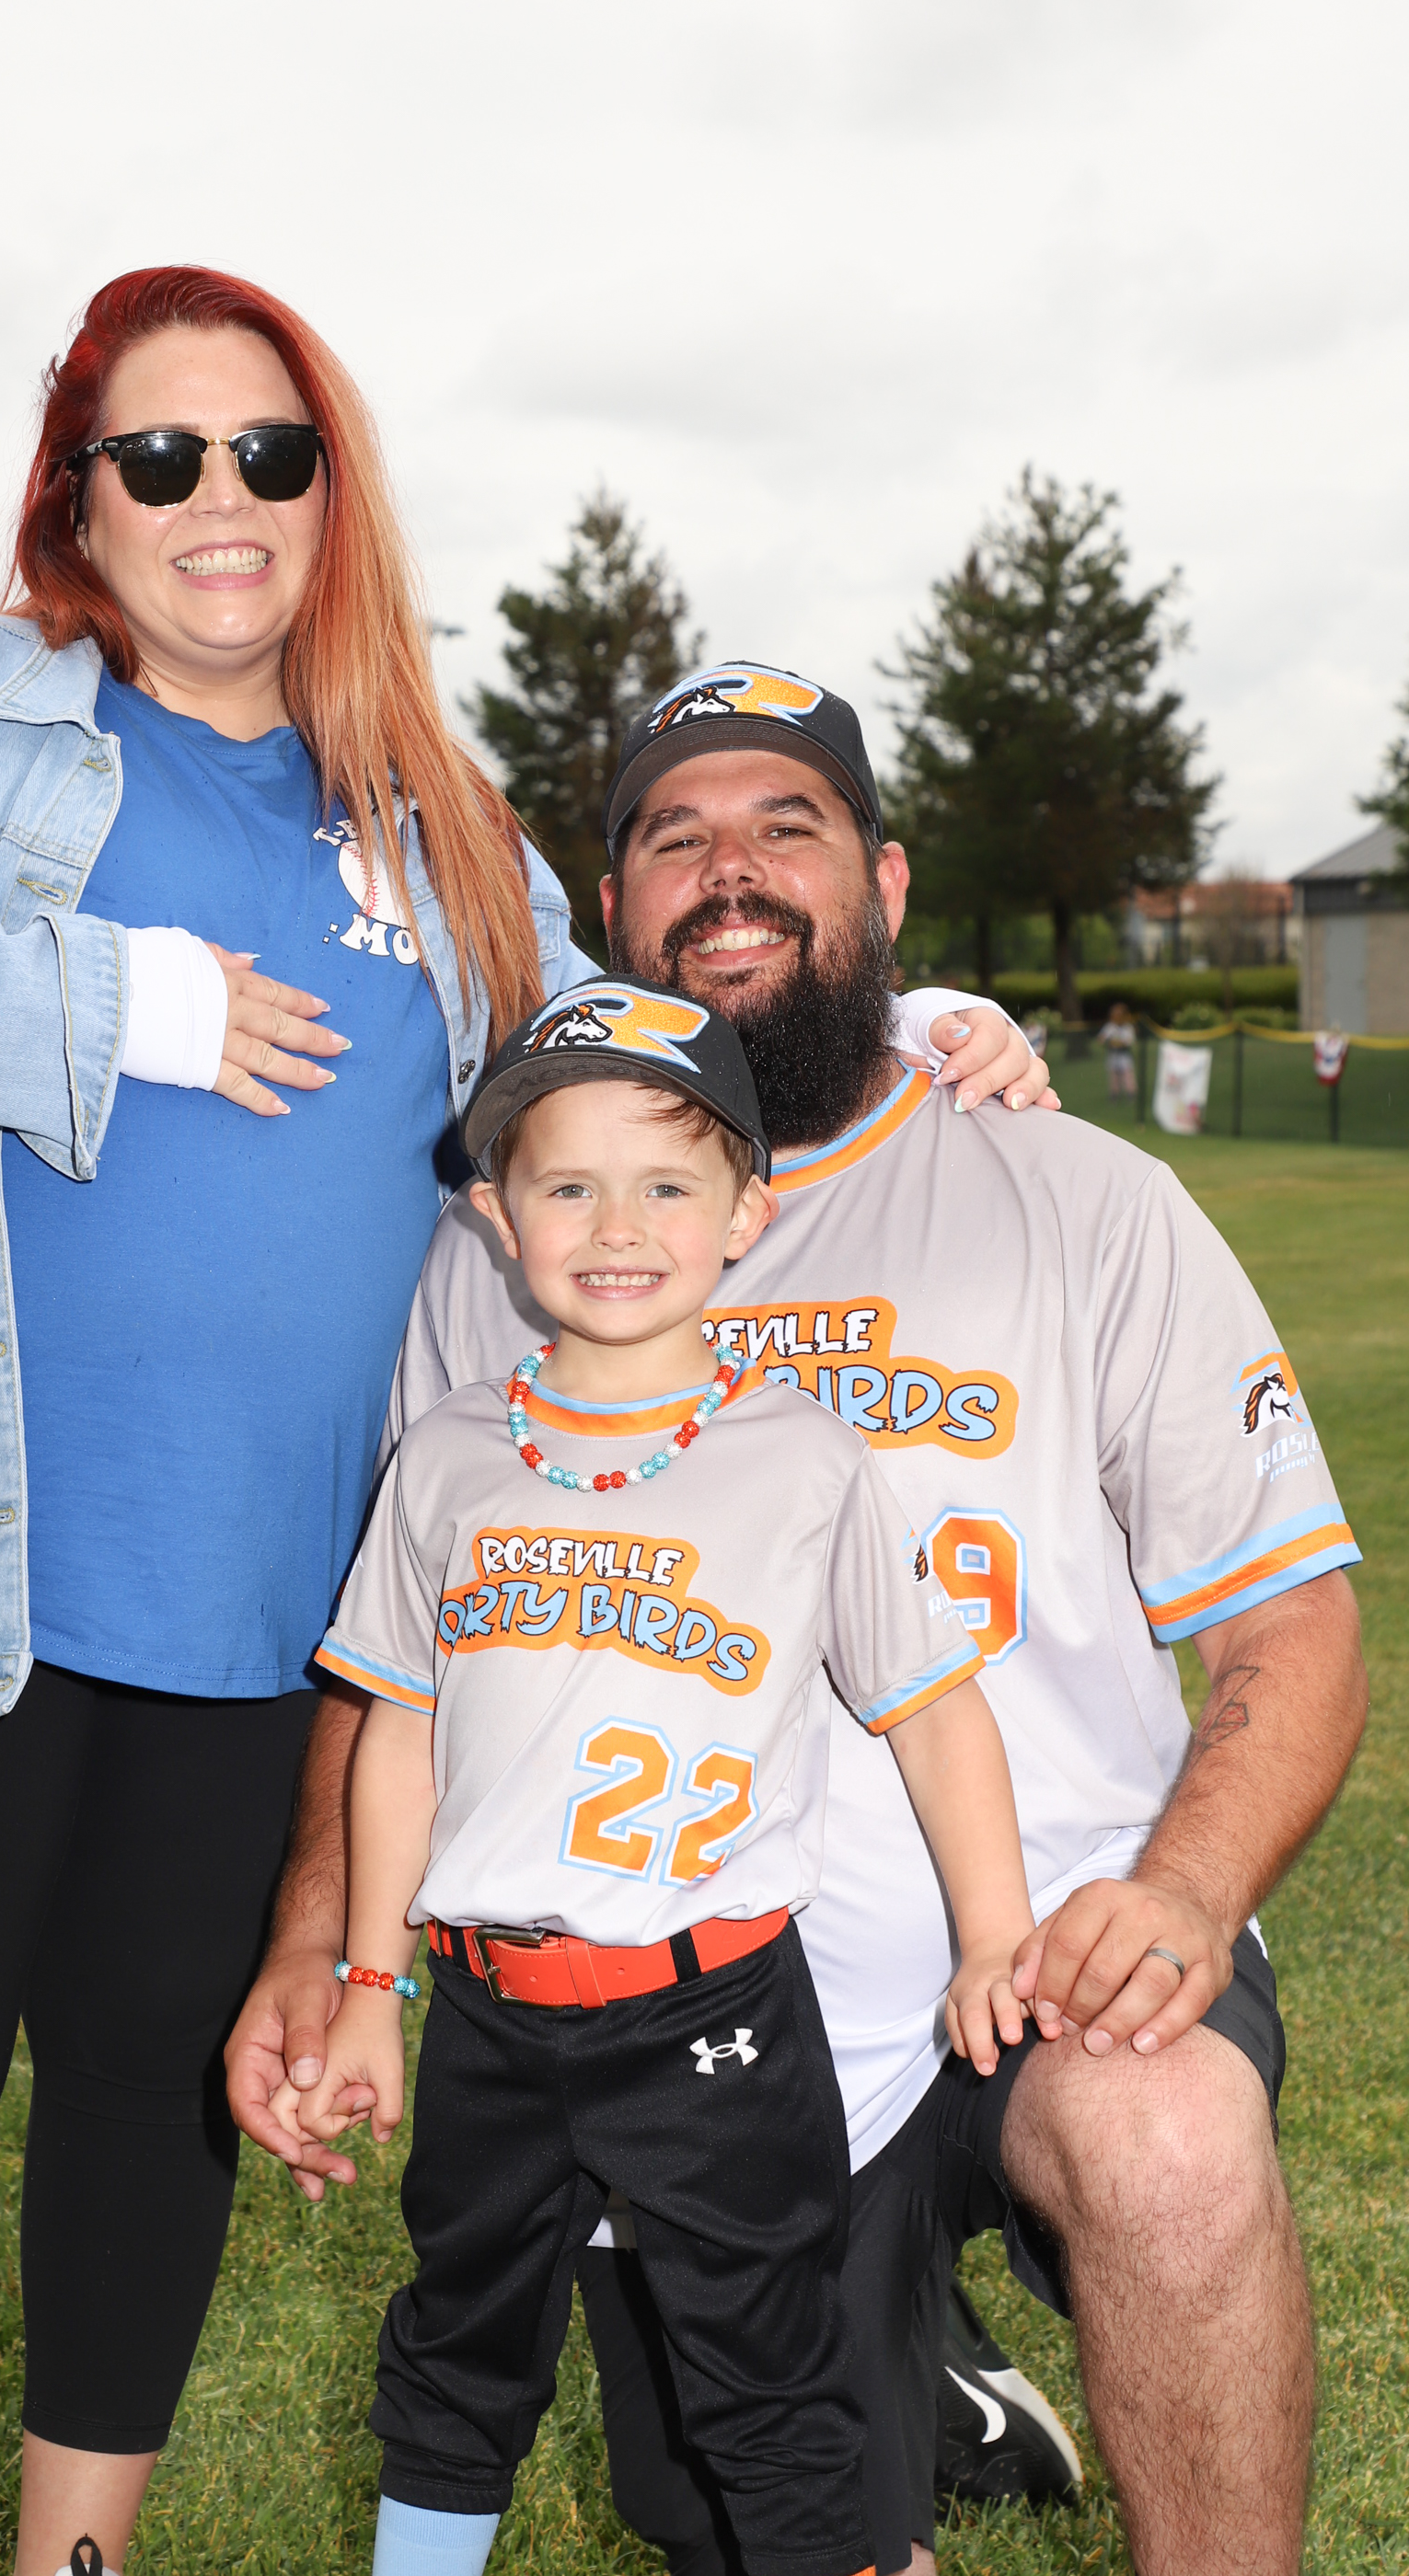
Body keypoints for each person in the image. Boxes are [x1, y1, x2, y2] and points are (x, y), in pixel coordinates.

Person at [0, 269, 1030, 2576]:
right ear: (76, 498)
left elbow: (636, 1050)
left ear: (329, 493)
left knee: (144, 2094)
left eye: (270, 453)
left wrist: (915, 1009)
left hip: (261, 1600)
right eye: (160, 454)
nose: (222, 497)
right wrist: (112, 1002)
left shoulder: (431, 823)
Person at [228, 660, 1369, 2576]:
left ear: (885, 881)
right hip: (677, 2003)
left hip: (1036, 1926)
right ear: (616, 911)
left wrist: (1180, 1895)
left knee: (1162, 2130)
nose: (730, 870)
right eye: (676, 838)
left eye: (787, 825)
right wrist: (316, 1943)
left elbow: (1294, 1632)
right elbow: (402, 1653)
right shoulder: (510, 1254)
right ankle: (917, 2363)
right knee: (752, 2516)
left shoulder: (1076, 1195)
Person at [269, 988, 1037, 2576]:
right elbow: (398, 1734)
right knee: (457, 2349)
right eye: (567, 1184)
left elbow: (934, 1713)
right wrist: (367, 1985)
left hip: (714, 2019)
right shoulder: (451, 1454)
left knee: (767, 2376)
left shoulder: (806, 1458)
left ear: (748, 1214)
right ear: (499, 1218)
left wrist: (992, 1937)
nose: (617, 1227)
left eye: (669, 1184)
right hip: (488, 2011)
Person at [1102, 998, 1138, 1101]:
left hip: (1124, 1055)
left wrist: (1120, 1043)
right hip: (1113, 1055)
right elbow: (1101, 1039)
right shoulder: (1110, 1027)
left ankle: (1131, 1093)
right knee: (1114, 1077)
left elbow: (1130, 1041)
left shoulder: (1128, 1028)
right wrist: (1109, 1041)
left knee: (1127, 1075)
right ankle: (1114, 1094)